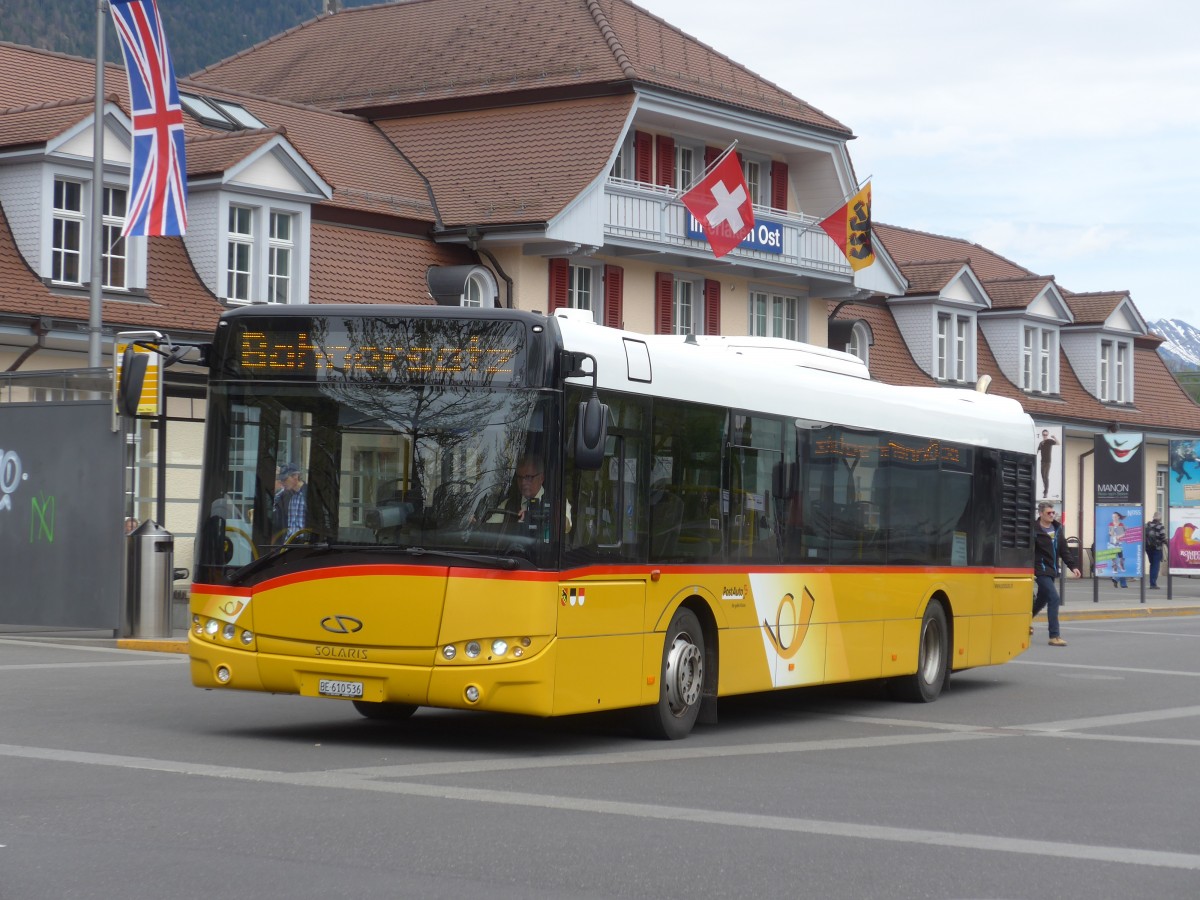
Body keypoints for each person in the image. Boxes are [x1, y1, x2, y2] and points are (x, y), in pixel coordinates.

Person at [1033, 501, 1080, 647]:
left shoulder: (1057, 529)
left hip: (1052, 570)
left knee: (1042, 599)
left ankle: (1021, 621)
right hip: (1040, 570)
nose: (1052, 515)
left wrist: (1073, 566)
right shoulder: (1034, 530)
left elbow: (1064, 550)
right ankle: (1054, 635)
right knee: (1054, 598)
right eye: (1049, 513)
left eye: (1054, 513)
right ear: (1041, 514)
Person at [273, 462, 307, 539]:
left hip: (306, 545)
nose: (282, 482)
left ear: (295, 476)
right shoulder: (285, 496)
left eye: (285, 479)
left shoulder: (310, 494)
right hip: (289, 544)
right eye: (281, 480)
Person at [1145, 510, 1167, 589]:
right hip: (1157, 548)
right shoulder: (1160, 526)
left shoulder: (1148, 525)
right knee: (1155, 566)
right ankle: (1153, 584)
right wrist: (1168, 544)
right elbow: (1163, 538)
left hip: (1148, 548)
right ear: (1160, 518)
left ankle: (1152, 582)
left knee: (1152, 564)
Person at [1107, 510, 1128, 588]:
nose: (1114, 518)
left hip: (1118, 544)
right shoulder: (1111, 524)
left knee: (1121, 560)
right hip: (1112, 544)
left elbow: (1122, 534)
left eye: (1115, 516)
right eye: (1113, 517)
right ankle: (1118, 578)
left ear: (1118, 517)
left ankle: (1119, 581)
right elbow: (1110, 533)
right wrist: (1113, 532)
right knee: (1113, 559)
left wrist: (1120, 534)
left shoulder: (1121, 524)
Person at [1036, 429, 1058, 498]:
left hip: (1048, 461)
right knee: (1043, 476)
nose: (1045, 436)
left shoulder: (1049, 441)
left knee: (1046, 477)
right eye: (1044, 434)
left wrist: (1054, 437)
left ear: (1047, 434)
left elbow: (1058, 443)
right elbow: (1037, 450)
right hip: (1042, 461)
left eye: (1046, 434)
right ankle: (1045, 489)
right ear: (1042, 435)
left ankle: (1046, 492)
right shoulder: (1041, 443)